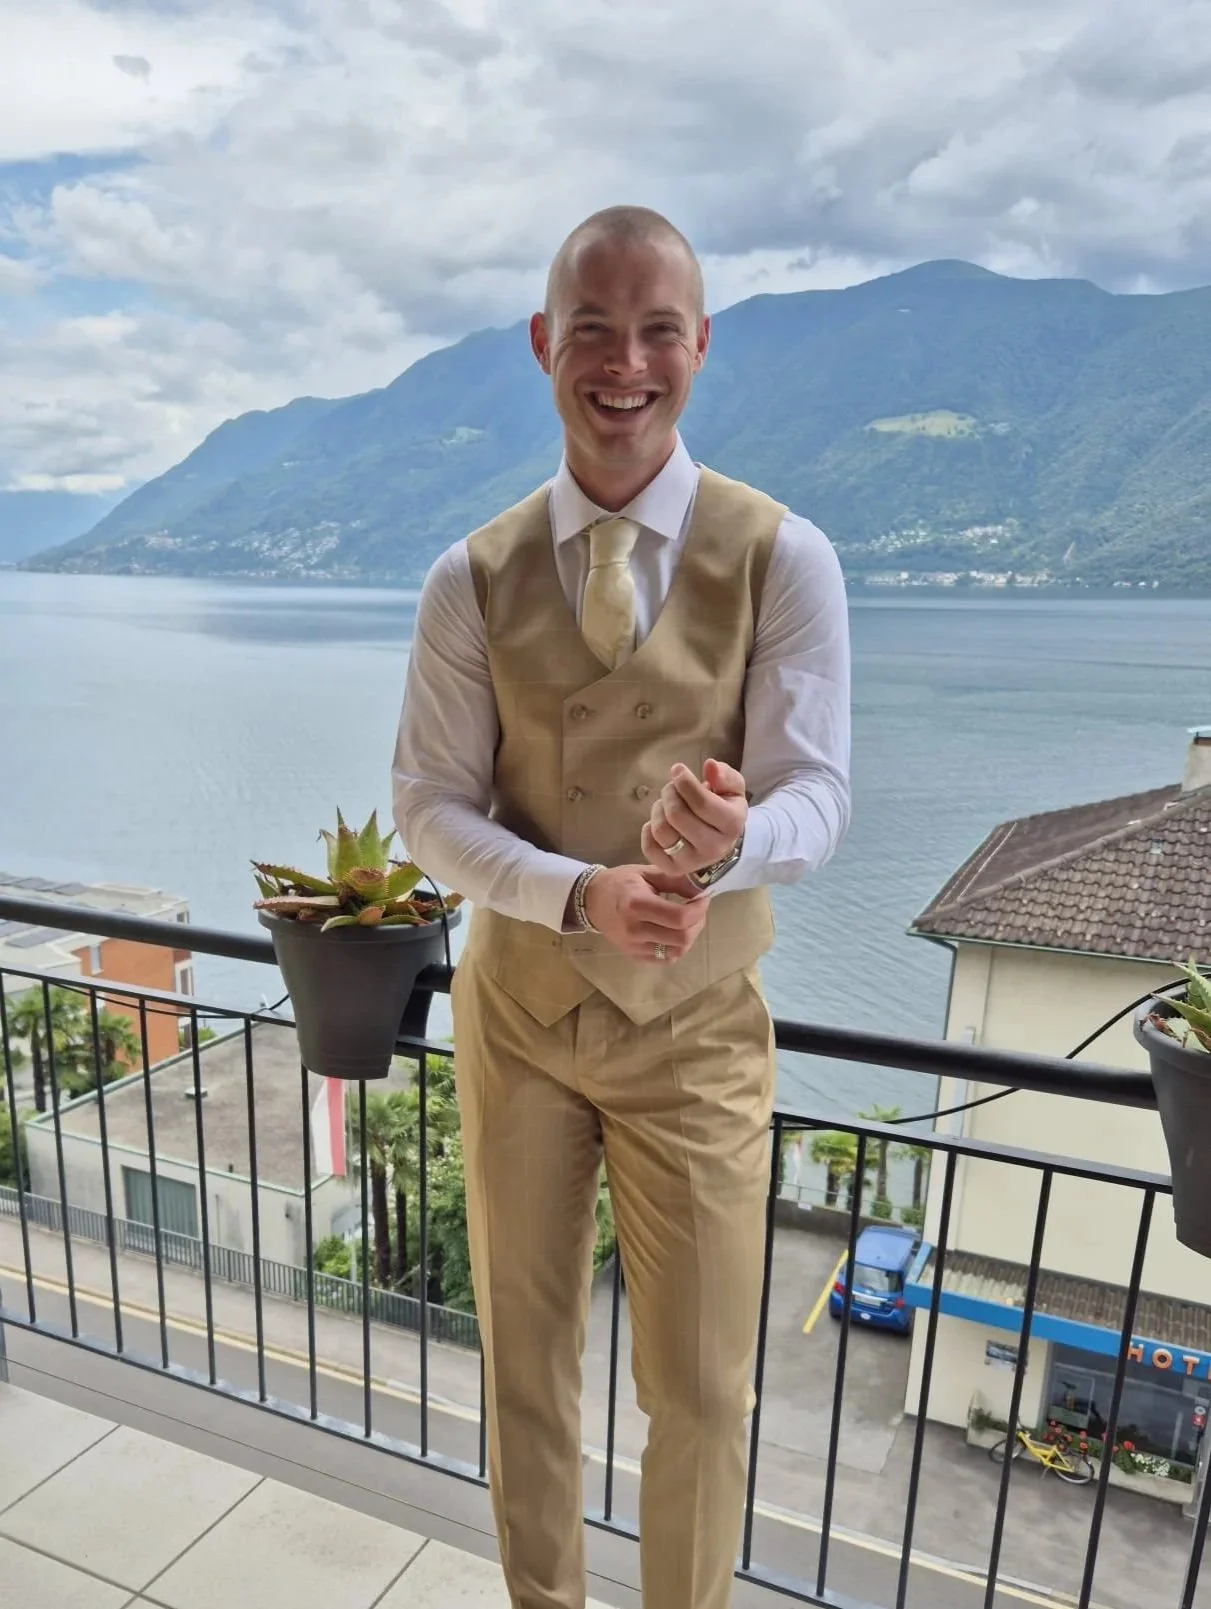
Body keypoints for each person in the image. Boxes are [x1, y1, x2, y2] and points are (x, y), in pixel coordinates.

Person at [392, 205, 851, 1609]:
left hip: (696, 1032)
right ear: (545, 343)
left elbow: (817, 798)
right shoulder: (469, 577)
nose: (625, 364)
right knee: (524, 1371)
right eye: (594, 329)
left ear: (700, 346)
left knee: (703, 1393)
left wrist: (736, 843)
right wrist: (579, 892)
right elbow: (429, 807)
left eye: (658, 331)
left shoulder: (783, 557)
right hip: (519, 1019)